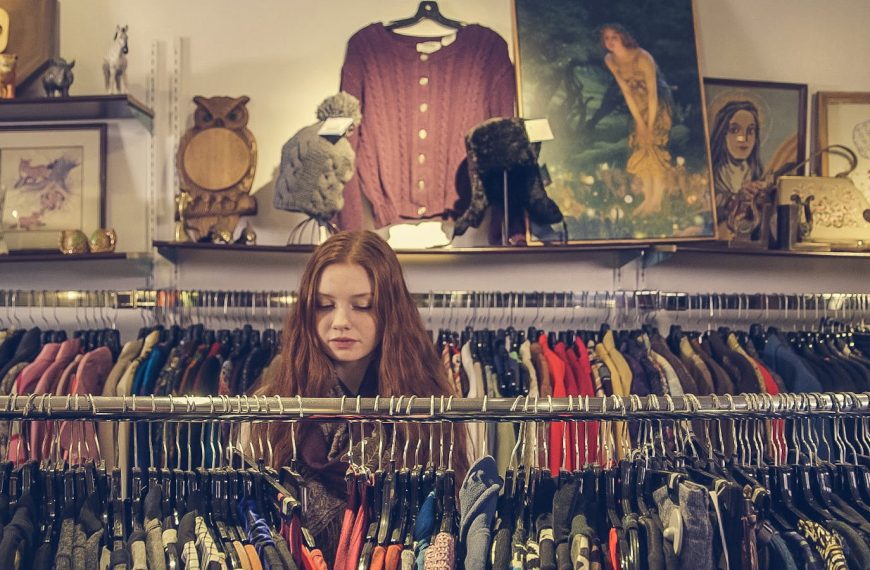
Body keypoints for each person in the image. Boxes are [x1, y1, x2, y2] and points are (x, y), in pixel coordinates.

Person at [253, 230, 467, 565]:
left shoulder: (428, 409)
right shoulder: (274, 408)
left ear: (389, 311)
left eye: (362, 306)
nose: (340, 322)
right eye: (324, 306)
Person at [600, 23, 674, 216]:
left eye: (614, 37)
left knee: (655, 148)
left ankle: (657, 200)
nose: (610, 42)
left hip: (657, 105)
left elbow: (653, 94)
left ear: (623, 37)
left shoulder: (642, 57)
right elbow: (626, 91)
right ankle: (648, 199)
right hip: (637, 106)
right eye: (606, 38)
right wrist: (640, 123)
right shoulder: (610, 59)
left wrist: (650, 124)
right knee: (641, 149)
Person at [709, 100, 767, 228]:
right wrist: (735, 200)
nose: (743, 139)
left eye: (750, 131)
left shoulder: (756, 173)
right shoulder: (710, 175)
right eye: (734, 130)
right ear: (722, 133)